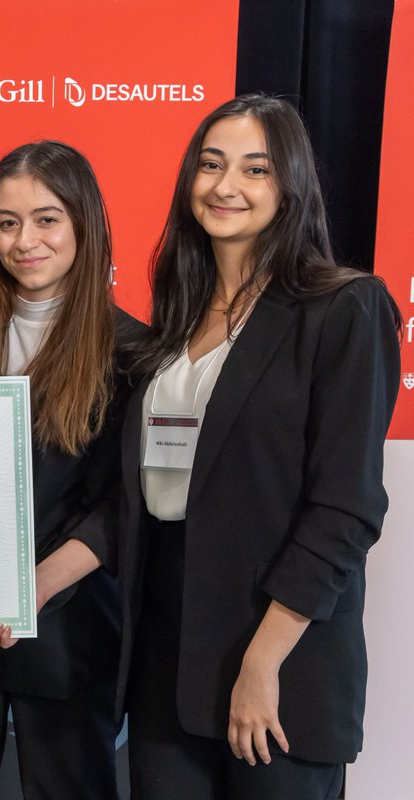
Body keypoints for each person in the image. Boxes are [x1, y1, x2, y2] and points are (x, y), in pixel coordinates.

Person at [119, 94, 400, 799]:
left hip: (278, 651)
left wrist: (261, 661)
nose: (225, 186)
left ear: (291, 187)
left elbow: (347, 507)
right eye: (211, 164)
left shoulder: (345, 309)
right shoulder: (174, 316)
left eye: (255, 169)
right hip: (165, 647)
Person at [0, 141, 140, 800]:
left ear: (84, 222)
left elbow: (121, 506)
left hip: (70, 628)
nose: (24, 240)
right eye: (7, 222)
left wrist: (27, 593)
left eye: (46, 219)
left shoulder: (132, 350)